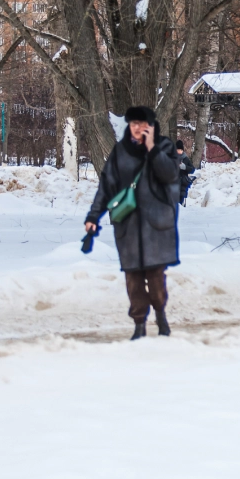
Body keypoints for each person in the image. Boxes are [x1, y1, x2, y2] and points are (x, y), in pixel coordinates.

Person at [85, 106, 182, 340]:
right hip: (128, 226)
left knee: (156, 278)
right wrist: (93, 217)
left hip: (157, 226)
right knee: (133, 280)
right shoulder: (120, 152)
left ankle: (160, 312)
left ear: (151, 126)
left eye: (142, 124)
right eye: (133, 124)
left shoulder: (166, 146)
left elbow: (170, 175)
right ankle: (139, 324)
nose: (137, 128)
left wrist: (152, 150)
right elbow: (106, 186)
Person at [174, 140, 195, 205]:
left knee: (181, 200)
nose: (179, 152)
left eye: (180, 150)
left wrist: (185, 167)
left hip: (183, 184)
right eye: (178, 150)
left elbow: (192, 169)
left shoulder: (186, 159)